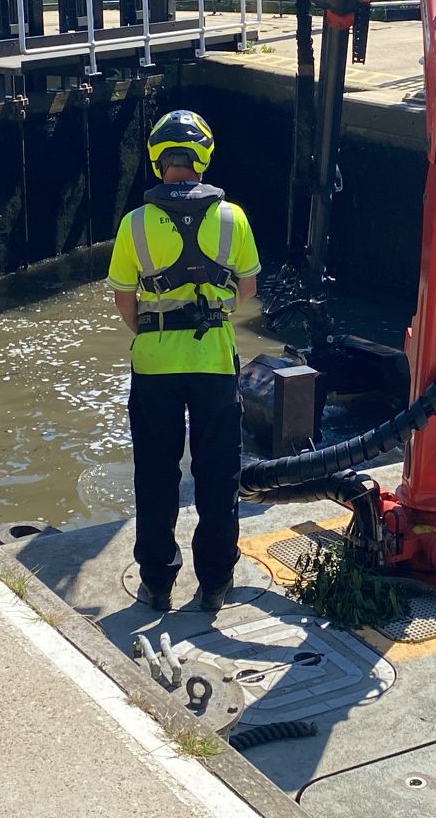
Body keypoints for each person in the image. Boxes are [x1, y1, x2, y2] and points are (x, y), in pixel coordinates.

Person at [107, 109, 260, 613]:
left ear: (157, 158)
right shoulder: (233, 218)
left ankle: (156, 584)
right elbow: (247, 290)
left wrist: (153, 332)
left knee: (155, 476)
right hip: (214, 363)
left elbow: (124, 300)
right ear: (204, 156)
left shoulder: (134, 225)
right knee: (218, 477)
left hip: (153, 368)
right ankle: (214, 584)